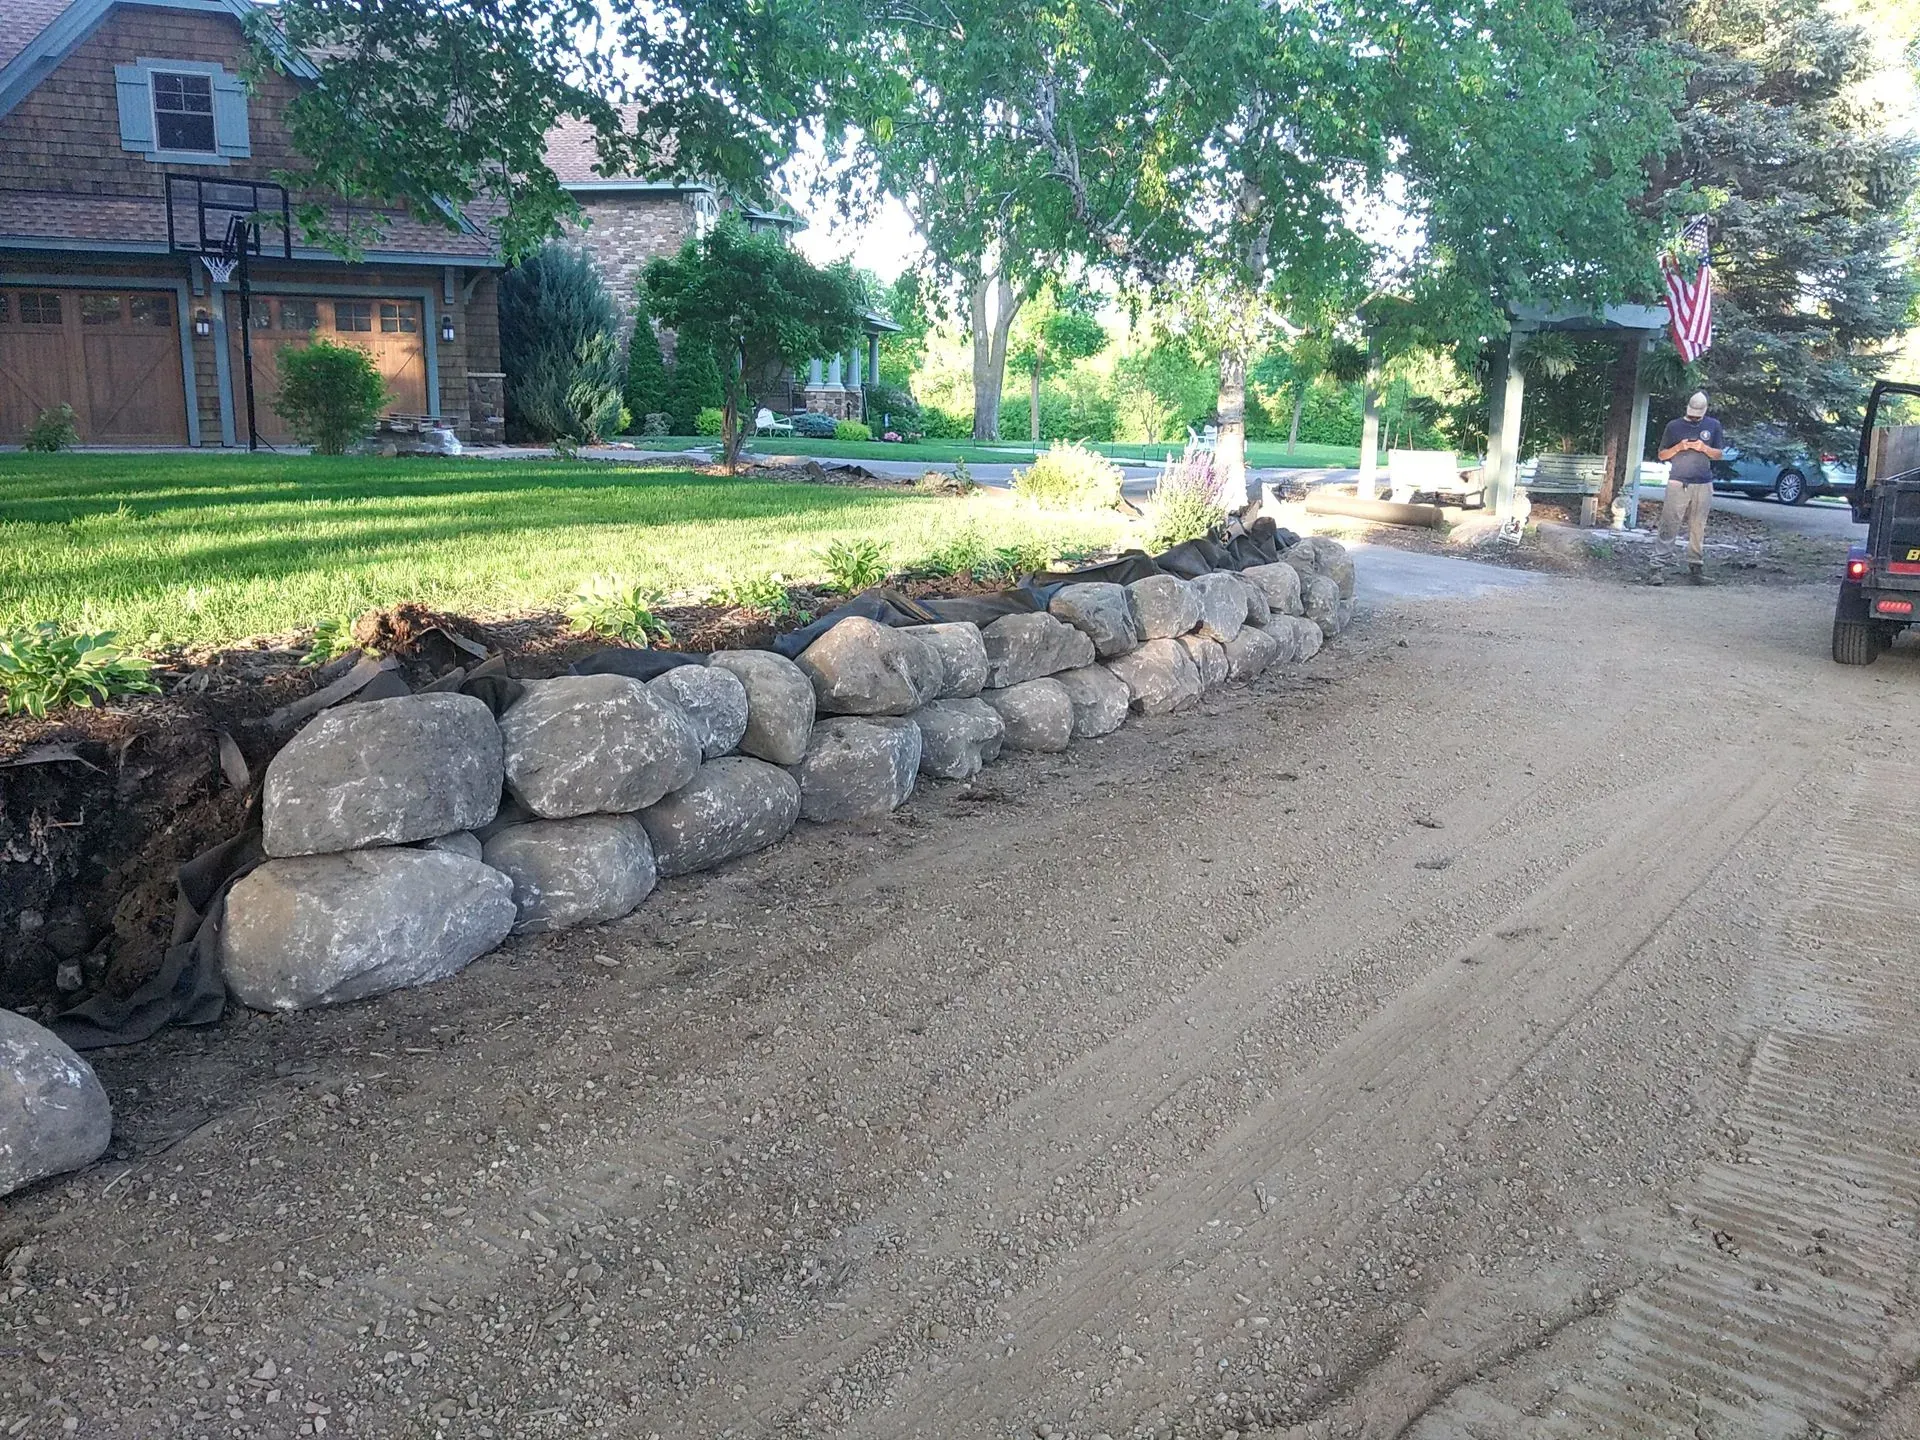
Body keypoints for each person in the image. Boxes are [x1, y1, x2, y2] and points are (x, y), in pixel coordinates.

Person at [1651, 391, 1724, 585]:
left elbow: (1718, 454)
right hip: (1678, 482)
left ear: (1705, 410)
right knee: (1669, 524)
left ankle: (1695, 567)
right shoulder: (1674, 426)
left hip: (1703, 483)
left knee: (1698, 527)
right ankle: (1657, 567)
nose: (1694, 417)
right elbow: (1662, 455)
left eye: (1697, 414)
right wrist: (1679, 447)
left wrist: (1703, 448)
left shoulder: (1713, 425)